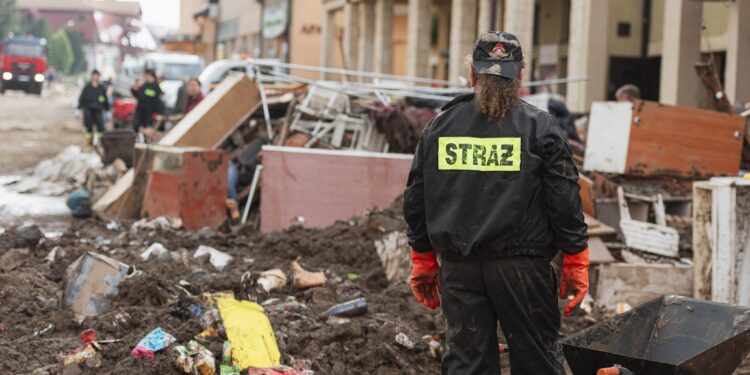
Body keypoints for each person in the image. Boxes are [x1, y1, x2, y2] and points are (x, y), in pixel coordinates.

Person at [403, 31, 589, 375]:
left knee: (467, 364)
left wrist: (423, 259)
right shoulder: (541, 128)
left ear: (473, 75)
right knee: (537, 363)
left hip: (460, 270)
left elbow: (416, 199)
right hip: (523, 272)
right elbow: (564, 200)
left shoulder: (439, 128)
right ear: (520, 77)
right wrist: (575, 259)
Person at [77, 69, 110, 146]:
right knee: (89, 129)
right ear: (92, 77)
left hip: (98, 111)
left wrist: (107, 110)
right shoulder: (87, 88)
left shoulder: (101, 88)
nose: (96, 77)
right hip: (88, 111)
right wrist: (78, 108)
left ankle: (102, 144)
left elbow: (105, 100)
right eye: (94, 76)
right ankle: (89, 144)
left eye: (97, 76)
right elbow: (82, 98)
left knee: (101, 129)